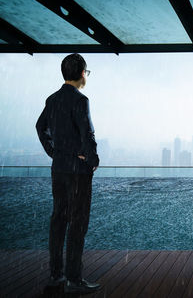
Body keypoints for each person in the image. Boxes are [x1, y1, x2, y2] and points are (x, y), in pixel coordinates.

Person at [36, 53, 101, 294]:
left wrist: (53, 152)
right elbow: (87, 134)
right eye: (87, 72)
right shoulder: (80, 100)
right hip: (78, 172)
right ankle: (74, 279)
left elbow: (40, 127)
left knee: (58, 219)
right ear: (82, 73)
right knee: (78, 223)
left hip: (59, 169)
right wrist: (92, 160)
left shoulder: (52, 100)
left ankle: (56, 274)